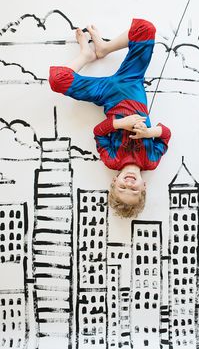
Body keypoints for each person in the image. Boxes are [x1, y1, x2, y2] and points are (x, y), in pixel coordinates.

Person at [49, 19, 171, 218]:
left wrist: (120, 123)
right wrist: (150, 132)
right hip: (131, 81)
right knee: (145, 29)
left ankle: (86, 55)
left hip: (106, 95)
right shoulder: (151, 161)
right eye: (134, 190)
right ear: (144, 186)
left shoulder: (112, 160)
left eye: (122, 188)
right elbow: (166, 134)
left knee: (57, 79)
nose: (129, 184)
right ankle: (105, 48)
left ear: (114, 182)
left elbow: (98, 133)